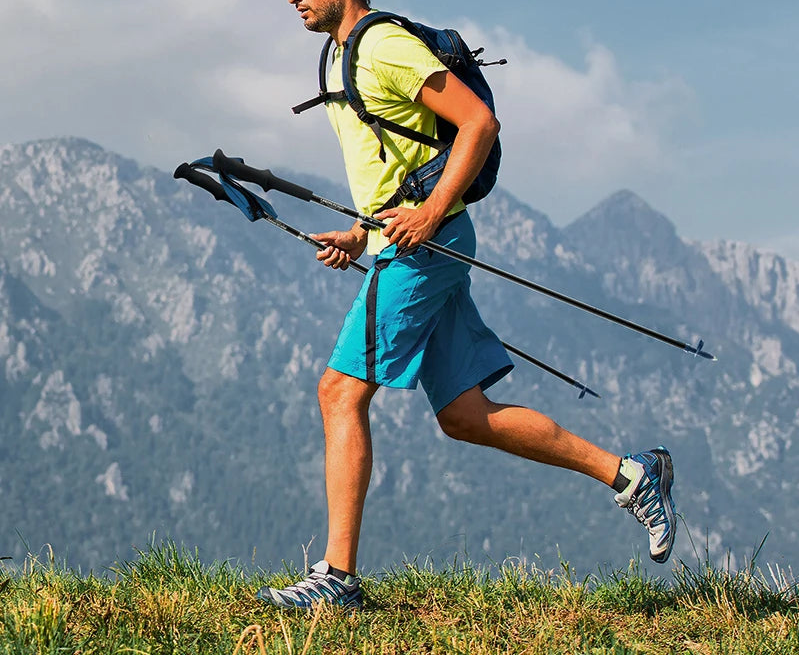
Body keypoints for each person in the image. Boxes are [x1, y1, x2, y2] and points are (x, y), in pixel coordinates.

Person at [258, 0, 677, 610]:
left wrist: (428, 214)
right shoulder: (335, 58)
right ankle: (632, 475)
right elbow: (394, 163)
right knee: (462, 413)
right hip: (404, 240)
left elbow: (479, 122)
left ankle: (337, 578)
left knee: (338, 391)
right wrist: (362, 234)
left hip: (428, 243)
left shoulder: (381, 47)